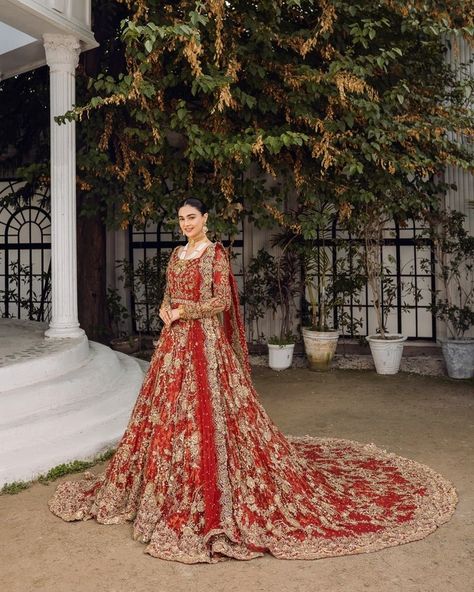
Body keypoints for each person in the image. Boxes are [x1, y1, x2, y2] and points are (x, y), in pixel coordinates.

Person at [49, 197, 457, 564]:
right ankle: (165, 487)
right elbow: (167, 295)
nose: (185, 224)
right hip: (173, 347)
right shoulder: (176, 255)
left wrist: (184, 311)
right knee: (167, 416)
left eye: (191, 218)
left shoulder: (215, 255)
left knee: (212, 416)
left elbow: (221, 302)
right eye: (180, 219)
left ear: (205, 219)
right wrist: (164, 310)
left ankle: (214, 490)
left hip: (205, 346)